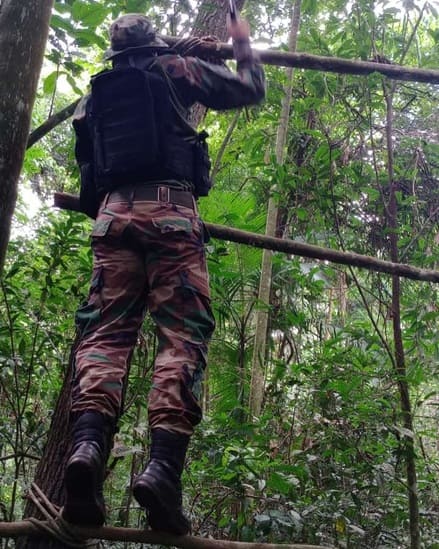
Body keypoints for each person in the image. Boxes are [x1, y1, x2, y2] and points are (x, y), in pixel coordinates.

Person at [62, 12, 265, 535]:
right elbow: (249, 89)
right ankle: (162, 472)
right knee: (181, 337)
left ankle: (86, 448)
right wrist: (240, 45)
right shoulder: (174, 68)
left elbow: (88, 185)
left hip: (111, 221)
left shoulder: (93, 98)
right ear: (154, 43)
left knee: (104, 337)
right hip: (171, 215)